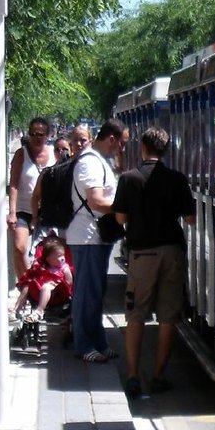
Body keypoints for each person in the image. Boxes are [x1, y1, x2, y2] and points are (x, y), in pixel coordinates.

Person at [112, 127, 195, 399]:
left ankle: (134, 376)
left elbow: (120, 219)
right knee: (168, 316)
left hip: (142, 253)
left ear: (143, 147)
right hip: (172, 250)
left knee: (136, 314)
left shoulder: (129, 179)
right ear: (166, 149)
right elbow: (191, 218)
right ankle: (159, 376)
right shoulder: (177, 179)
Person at [67, 118, 125, 363]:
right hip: (87, 236)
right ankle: (83, 344)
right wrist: (125, 208)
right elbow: (95, 200)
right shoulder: (91, 163)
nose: (122, 148)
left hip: (94, 237)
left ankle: (97, 341)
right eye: (122, 143)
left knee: (96, 292)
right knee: (86, 293)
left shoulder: (100, 161)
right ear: (111, 139)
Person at [7, 116, 54, 283]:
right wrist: (12, 213)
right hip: (23, 211)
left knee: (47, 253)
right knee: (19, 248)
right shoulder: (21, 155)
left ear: (48, 135)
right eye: (33, 133)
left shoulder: (53, 155)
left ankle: (38, 288)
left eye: (41, 134)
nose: (37, 137)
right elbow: (13, 185)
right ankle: (30, 286)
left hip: (47, 212)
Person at [12, 236, 73, 322]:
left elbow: (69, 282)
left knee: (46, 286)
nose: (63, 258)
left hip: (58, 292)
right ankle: (17, 310)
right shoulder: (42, 267)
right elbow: (35, 275)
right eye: (59, 256)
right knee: (27, 286)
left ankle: (39, 311)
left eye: (63, 255)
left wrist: (66, 273)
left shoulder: (64, 268)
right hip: (39, 290)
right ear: (48, 259)